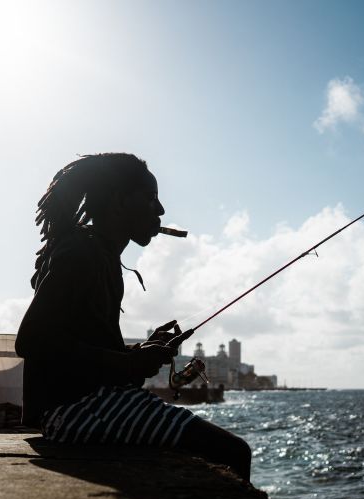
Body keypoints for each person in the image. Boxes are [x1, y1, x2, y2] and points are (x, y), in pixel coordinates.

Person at [15, 153, 251, 481]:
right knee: (234, 452)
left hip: (80, 405)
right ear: (118, 202)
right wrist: (128, 364)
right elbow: (31, 340)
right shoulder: (82, 254)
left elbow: (82, 346)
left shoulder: (101, 256)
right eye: (151, 198)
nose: (161, 210)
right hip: (73, 411)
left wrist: (138, 354)